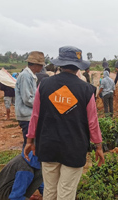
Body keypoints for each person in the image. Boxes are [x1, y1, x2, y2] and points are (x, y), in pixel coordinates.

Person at [24, 46, 105, 200]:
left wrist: (30, 140)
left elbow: (35, 116)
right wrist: (98, 146)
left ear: (60, 65)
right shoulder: (87, 89)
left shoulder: (44, 85)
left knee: (50, 191)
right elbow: (92, 122)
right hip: (74, 148)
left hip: (48, 146)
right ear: (78, 66)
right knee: (66, 192)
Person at [15, 51, 45, 149]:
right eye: (41, 65)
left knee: (31, 142)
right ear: (36, 65)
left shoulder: (30, 75)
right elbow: (27, 99)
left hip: (29, 115)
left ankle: (29, 161)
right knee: (29, 143)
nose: (42, 68)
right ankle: (27, 162)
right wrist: (43, 105)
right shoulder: (25, 76)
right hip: (26, 115)